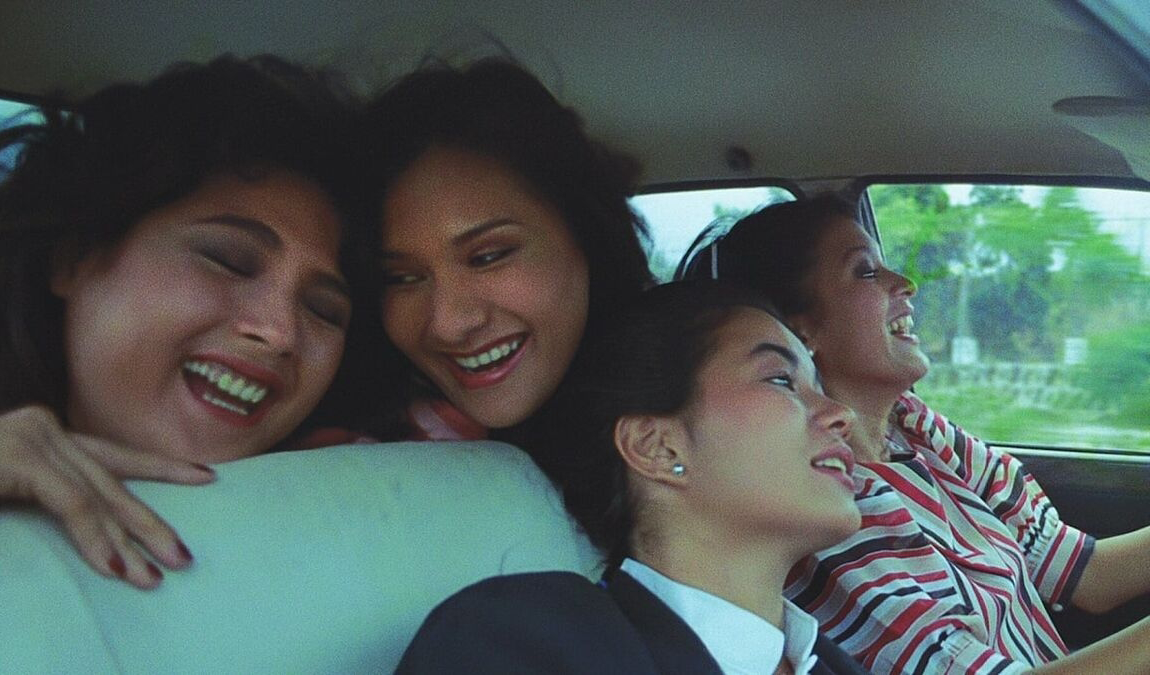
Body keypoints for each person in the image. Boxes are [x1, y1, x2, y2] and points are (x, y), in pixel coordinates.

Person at [0, 54, 388, 589]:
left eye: (324, 310)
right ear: (74, 258)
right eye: (227, 260)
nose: (278, 332)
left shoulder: (371, 489)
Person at [680, 195, 1150, 673]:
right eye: (865, 272)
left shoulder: (914, 428)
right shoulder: (825, 513)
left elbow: (1082, 572)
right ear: (802, 334)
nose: (906, 284)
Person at [396, 280, 869, 674]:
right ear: (656, 447)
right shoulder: (521, 643)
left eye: (819, 387)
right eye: (781, 380)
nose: (841, 413)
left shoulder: (831, 664)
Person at [364, 58, 653, 442]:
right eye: (401, 278)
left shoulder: (699, 425)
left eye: (487, 257)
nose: (448, 325)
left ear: (585, 233)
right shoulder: (359, 467)